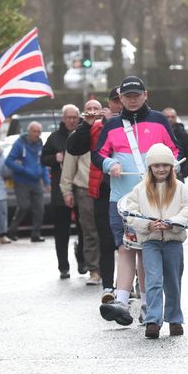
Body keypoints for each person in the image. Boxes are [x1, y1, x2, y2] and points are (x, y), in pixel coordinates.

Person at [93, 76, 181, 326]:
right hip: (120, 198)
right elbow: (98, 155)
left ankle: (146, 305)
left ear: (145, 95)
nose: (132, 100)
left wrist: (168, 165)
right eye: (127, 96)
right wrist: (110, 163)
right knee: (124, 247)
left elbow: (175, 151)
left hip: (152, 198)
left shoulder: (159, 120)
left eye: (136, 95)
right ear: (120, 99)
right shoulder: (110, 126)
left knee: (145, 250)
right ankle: (121, 300)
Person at [120, 143, 188, 339]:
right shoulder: (139, 189)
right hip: (150, 242)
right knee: (153, 280)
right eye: (156, 166)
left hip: (173, 241)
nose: (161, 169)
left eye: (165, 165)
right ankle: (153, 320)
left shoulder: (180, 188)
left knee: (173, 281)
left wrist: (173, 223)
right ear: (150, 168)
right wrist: (148, 225)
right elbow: (131, 213)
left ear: (172, 167)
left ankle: (175, 319)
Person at [67, 88, 123, 298]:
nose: (120, 105)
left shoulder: (135, 123)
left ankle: (132, 284)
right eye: (116, 101)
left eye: (123, 100)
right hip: (103, 190)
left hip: (131, 190)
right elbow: (74, 147)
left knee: (133, 242)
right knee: (106, 239)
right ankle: (108, 286)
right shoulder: (98, 126)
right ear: (110, 104)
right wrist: (87, 123)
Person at [60, 101, 103, 285]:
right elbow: (69, 166)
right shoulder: (78, 135)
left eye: (96, 108)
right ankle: (94, 269)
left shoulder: (108, 130)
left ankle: (110, 268)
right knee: (89, 230)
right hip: (85, 189)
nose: (93, 112)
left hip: (106, 187)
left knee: (110, 231)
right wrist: (66, 190)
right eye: (89, 109)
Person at [42, 104, 84, 279]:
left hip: (81, 187)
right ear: (63, 119)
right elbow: (43, 159)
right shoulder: (54, 138)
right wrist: (54, 158)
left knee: (84, 229)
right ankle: (63, 266)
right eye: (69, 117)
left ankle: (82, 259)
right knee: (61, 231)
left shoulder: (83, 134)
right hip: (60, 191)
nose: (72, 121)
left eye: (75, 117)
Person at [5, 121, 49, 242]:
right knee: (23, 206)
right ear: (29, 132)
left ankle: (36, 234)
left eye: (39, 132)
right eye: (34, 131)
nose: (37, 134)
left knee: (40, 208)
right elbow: (8, 161)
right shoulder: (20, 144)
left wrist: (47, 181)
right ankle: (12, 231)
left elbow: (43, 163)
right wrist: (24, 169)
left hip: (36, 181)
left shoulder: (40, 143)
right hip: (22, 181)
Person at [163, 108, 188, 181]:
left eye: (172, 117)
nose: (170, 119)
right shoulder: (158, 132)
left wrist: (185, 172)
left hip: (178, 173)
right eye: (167, 117)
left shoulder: (183, 134)